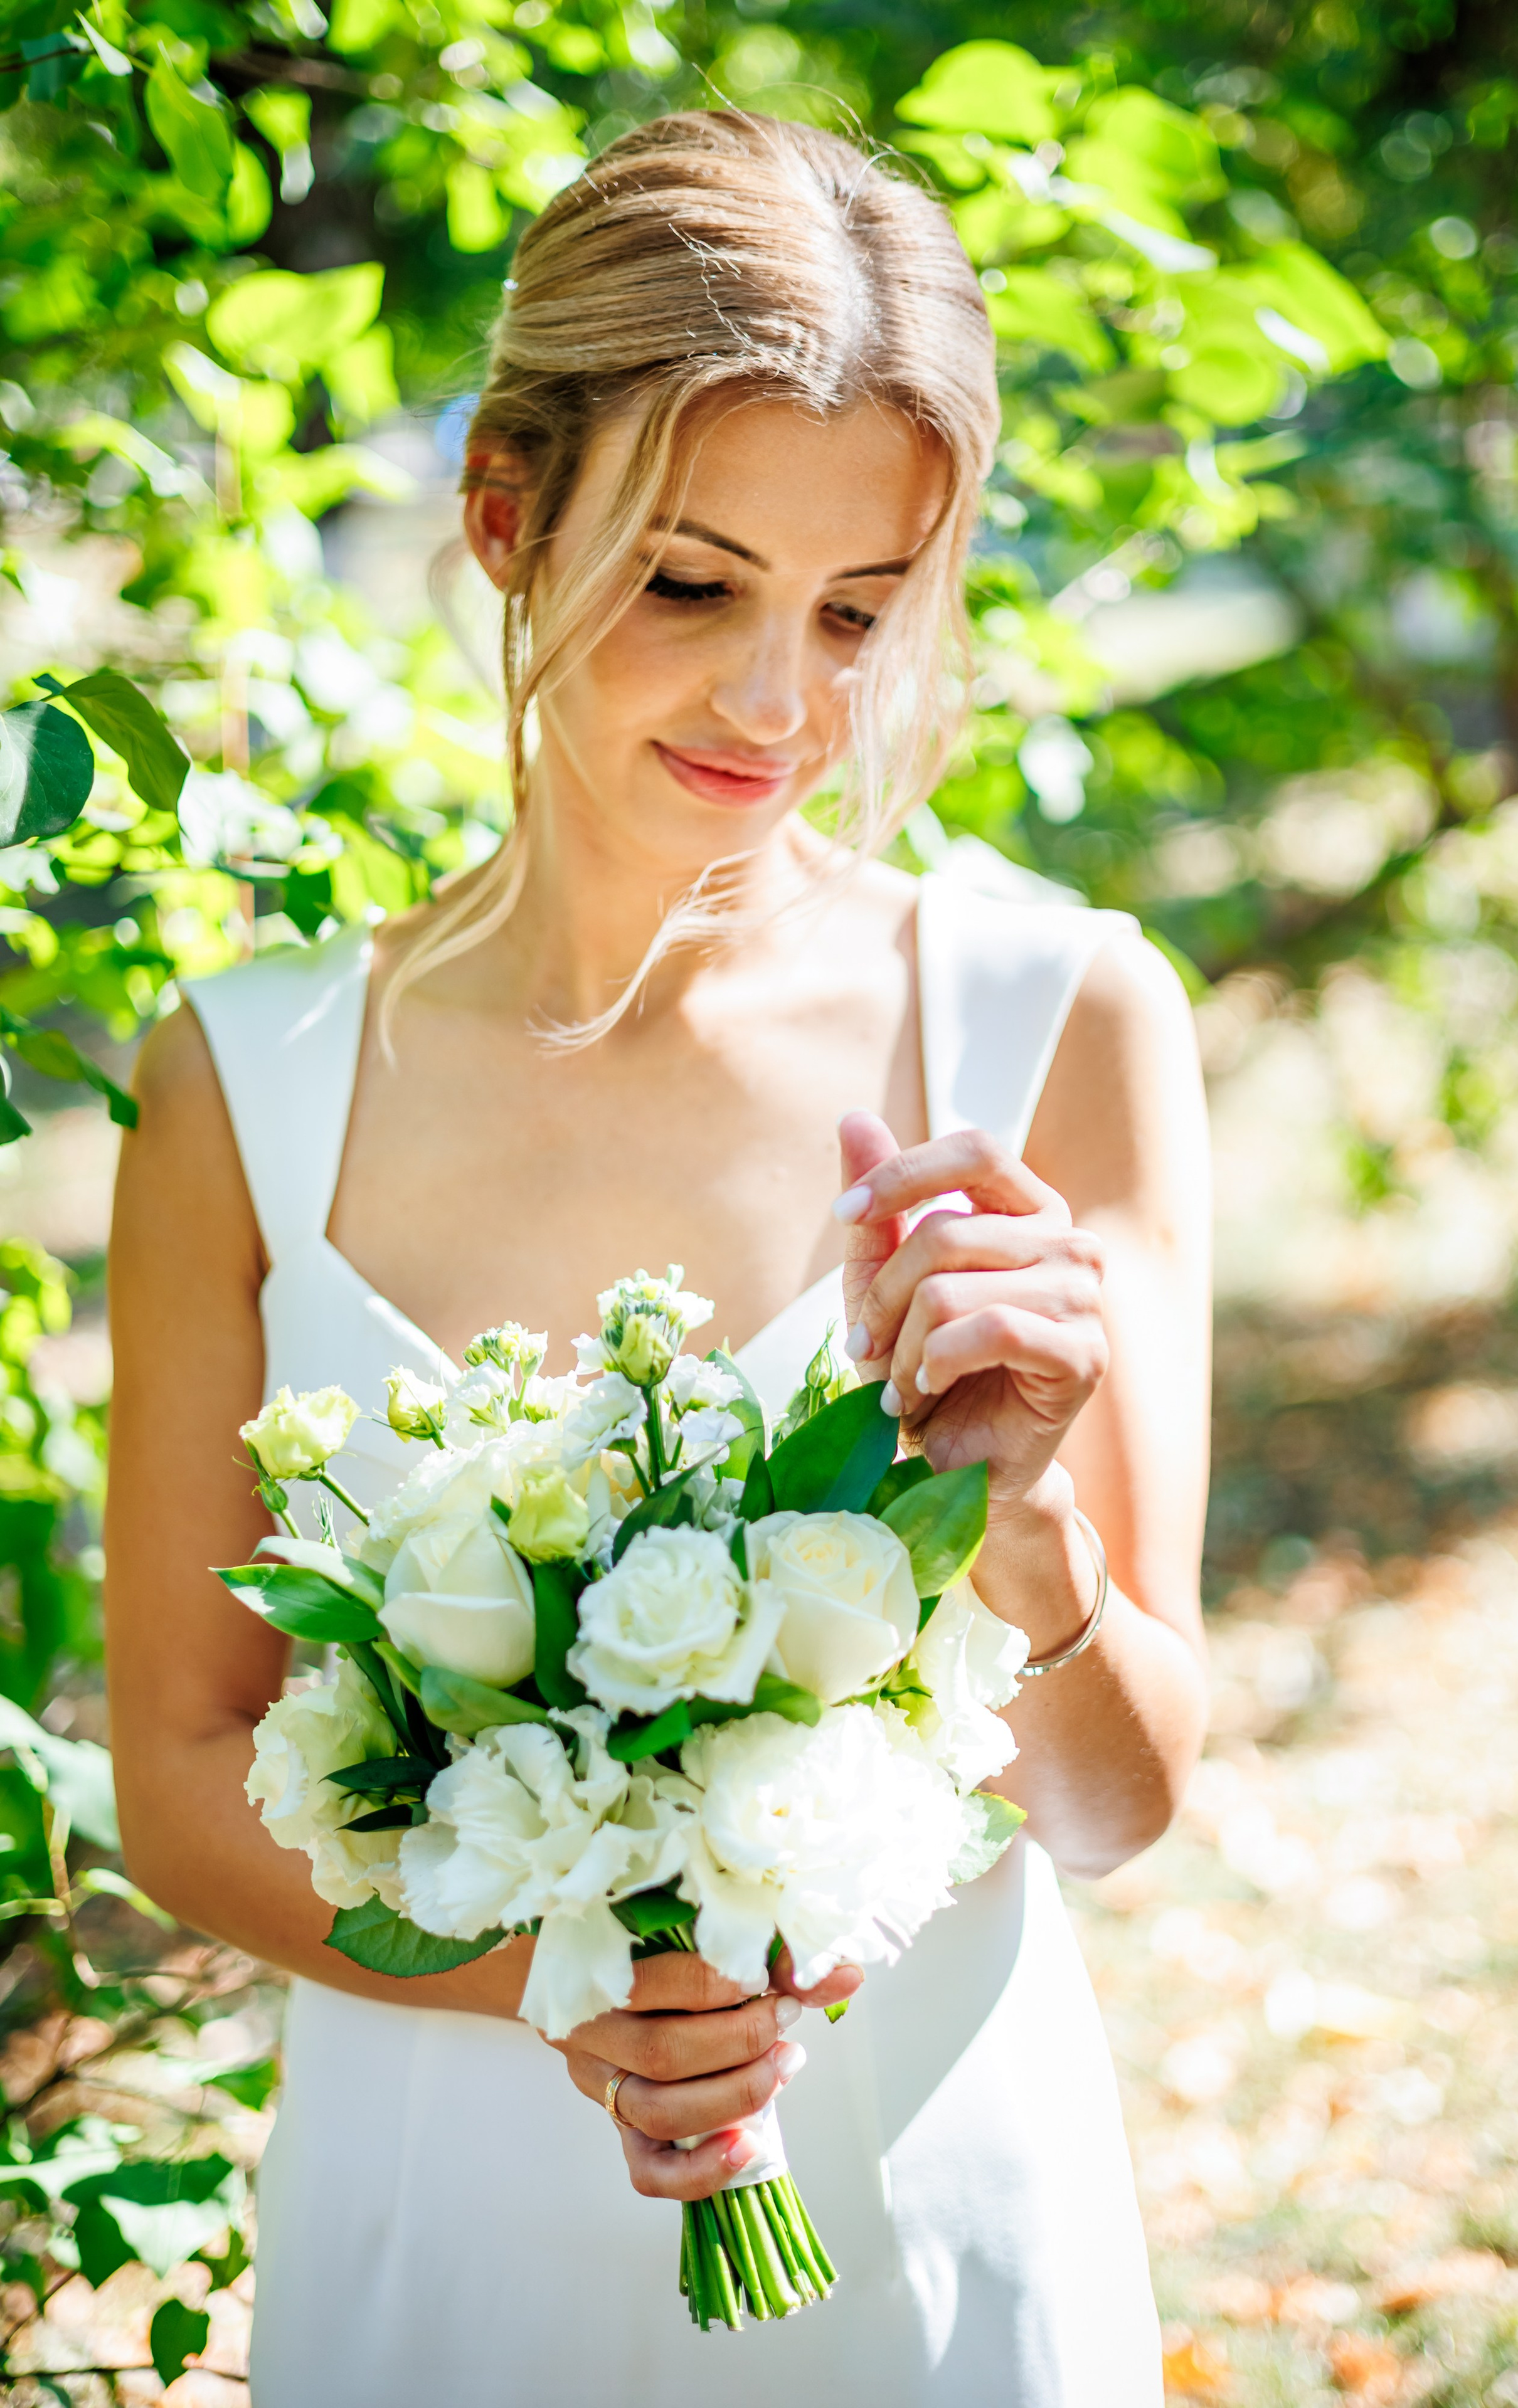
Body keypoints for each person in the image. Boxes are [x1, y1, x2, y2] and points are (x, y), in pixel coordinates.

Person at [104, 109, 1211, 2407]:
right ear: (507, 512)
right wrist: (559, 1986)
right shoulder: (246, 1081)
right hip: (440, 2234)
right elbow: (188, 1770)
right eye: (694, 584)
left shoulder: (1052, 1021)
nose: (778, 708)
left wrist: (1017, 1529)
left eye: (858, 610)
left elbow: (1118, 1808)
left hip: (926, 2225)